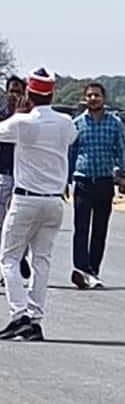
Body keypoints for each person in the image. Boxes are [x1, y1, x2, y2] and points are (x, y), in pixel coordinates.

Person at [0, 68, 78, 341]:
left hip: (26, 198)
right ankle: (35, 319)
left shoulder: (22, 122)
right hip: (54, 201)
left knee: (9, 258)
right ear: (52, 94)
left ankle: (19, 314)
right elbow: (70, 139)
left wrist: (18, 113)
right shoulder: (66, 122)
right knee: (41, 261)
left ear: (29, 94)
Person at [68, 82, 125, 289]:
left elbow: (122, 150)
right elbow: (70, 153)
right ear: (84, 99)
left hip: (104, 182)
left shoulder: (114, 124)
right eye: (89, 95)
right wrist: (64, 180)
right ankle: (81, 269)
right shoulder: (77, 124)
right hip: (83, 181)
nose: (93, 99)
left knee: (99, 229)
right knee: (81, 228)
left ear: (104, 98)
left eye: (97, 95)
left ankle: (93, 271)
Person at [0, 76, 31, 287]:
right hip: (2, 174)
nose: (14, 95)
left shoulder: (31, 118)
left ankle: (20, 257)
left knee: (21, 224)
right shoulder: (1, 116)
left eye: (18, 91)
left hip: (24, 176)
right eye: (12, 90)